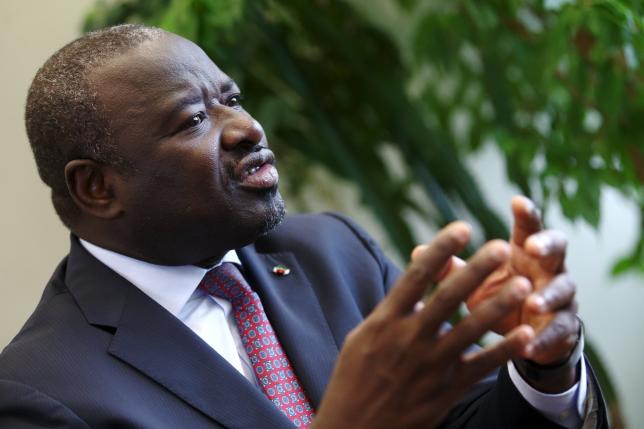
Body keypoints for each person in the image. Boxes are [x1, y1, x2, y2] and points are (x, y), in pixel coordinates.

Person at [0, 24, 607, 428]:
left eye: (231, 100)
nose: (247, 129)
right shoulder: (39, 393)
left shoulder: (335, 252)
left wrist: (542, 371)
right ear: (97, 188)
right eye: (191, 120)